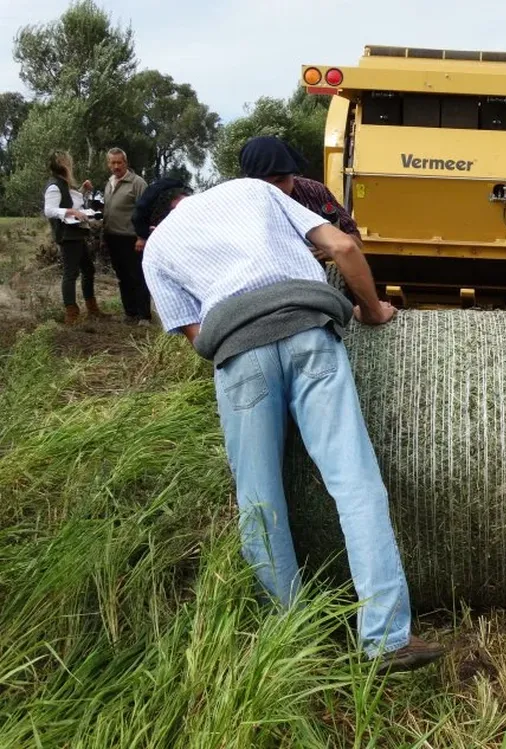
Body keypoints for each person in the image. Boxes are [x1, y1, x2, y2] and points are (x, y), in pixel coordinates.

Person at [138, 176, 444, 673]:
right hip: (310, 333)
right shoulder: (252, 191)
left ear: (156, 218)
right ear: (190, 192)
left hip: (239, 357)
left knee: (259, 501)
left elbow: (198, 338)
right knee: (356, 483)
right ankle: (387, 639)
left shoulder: (156, 250)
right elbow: (342, 245)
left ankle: (287, 641)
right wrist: (373, 311)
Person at [238, 135, 361, 248]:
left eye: (280, 180)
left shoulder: (315, 192)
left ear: (293, 175)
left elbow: (355, 239)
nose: (274, 190)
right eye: (264, 184)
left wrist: (332, 247)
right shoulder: (237, 203)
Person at [43, 150, 106, 324]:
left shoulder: (63, 184)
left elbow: (72, 205)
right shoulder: (55, 185)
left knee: (88, 270)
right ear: (63, 165)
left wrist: (82, 192)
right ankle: (72, 314)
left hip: (76, 234)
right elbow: (49, 210)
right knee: (71, 273)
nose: (71, 164)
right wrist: (69, 211)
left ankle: (92, 309)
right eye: (68, 162)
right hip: (67, 235)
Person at [101, 148, 150, 324]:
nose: (116, 166)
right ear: (108, 164)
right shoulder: (109, 183)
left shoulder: (137, 183)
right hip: (113, 237)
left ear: (126, 163)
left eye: (119, 162)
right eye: (112, 163)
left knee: (137, 276)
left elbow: (146, 211)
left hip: (132, 238)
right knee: (122, 277)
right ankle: (130, 313)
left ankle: (144, 315)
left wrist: (142, 237)